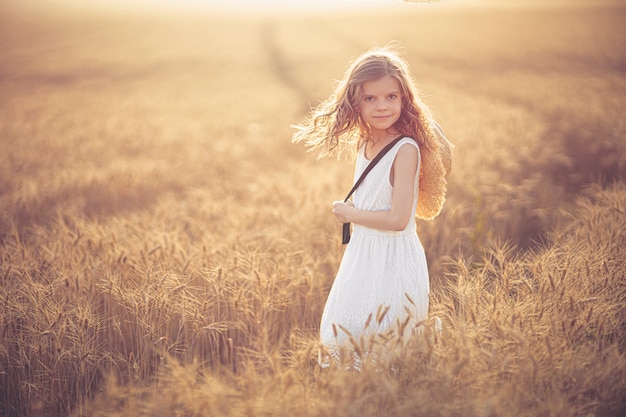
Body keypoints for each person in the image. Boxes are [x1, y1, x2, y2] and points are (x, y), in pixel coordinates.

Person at [292, 43, 452, 369]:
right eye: (370, 98)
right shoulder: (365, 142)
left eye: (391, 97)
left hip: (393, 260)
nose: (382, 106)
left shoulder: (405, 149)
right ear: (356, 102)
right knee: (346, 334)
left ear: (404, 99)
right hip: (363, 254)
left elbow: (398, 219)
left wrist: (351, 214)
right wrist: (356, 214)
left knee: (385, 350)